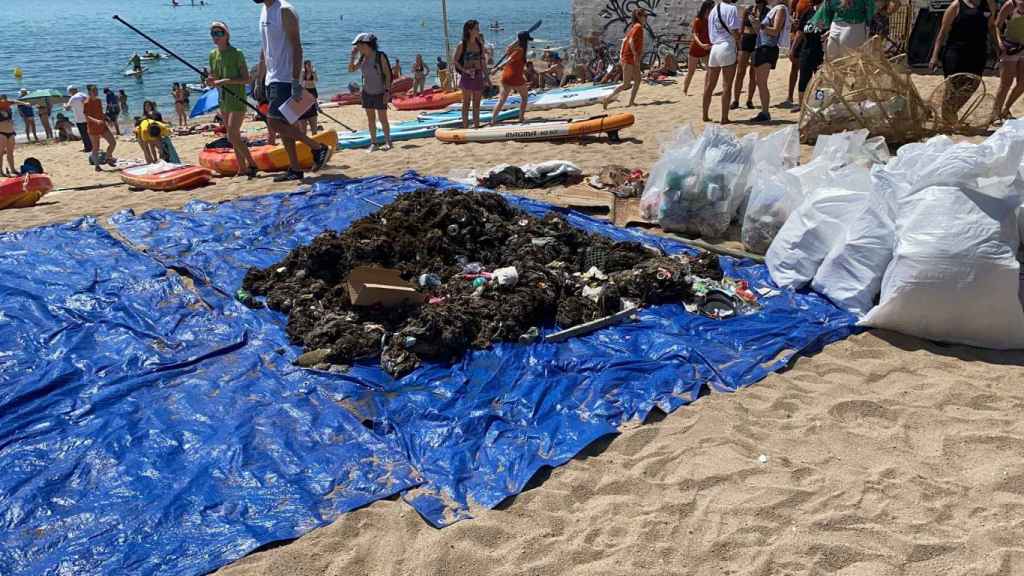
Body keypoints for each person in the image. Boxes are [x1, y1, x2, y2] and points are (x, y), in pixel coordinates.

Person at [255, 0, 331, 181]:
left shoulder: (285, 10)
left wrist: (296, 80)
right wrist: (259, 78)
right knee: (284, 126)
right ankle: (295, 169)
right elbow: (265, 47)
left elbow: (297, 47)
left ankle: (317, 147)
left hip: (286, 77)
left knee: (273, 122)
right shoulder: (264, 10)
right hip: (271, 77)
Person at [929, 0, 997, 123]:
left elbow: (991, 27)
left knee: (974, 83)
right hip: (956, 52)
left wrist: (998, 48)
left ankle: (950, 113)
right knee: (953, 87)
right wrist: (934, 56)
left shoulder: (989, 4)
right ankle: (948, 118)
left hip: (978, 52)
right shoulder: (957, 5)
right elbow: (943, 32)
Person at [208, 21, 259, 178]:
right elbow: (214, 77)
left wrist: (225, 81)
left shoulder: (237, 53)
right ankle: (242, 168)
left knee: (232, 135)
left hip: (237, 98)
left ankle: (252, 163)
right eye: (213, 34)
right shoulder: (212, 55)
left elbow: (246, 79)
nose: (216, 36)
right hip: (223, 99)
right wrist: (210, 81)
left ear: (226, 34)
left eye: (219, 33)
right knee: (233, 135)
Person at [349, 33, 393, 152]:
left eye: (359, 45)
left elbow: (388, 74)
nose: (357, 48)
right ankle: (374, 143)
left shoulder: (380, 56)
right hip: (367, 92)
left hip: (380, 92)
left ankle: (388, 142)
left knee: (383, 119)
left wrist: (387, 91)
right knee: (371, 119)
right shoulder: (362, 57)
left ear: (366, 45)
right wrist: (352, 57)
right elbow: (351, 69)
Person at [750, 0, 790, 121]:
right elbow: (762, 32)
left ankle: (765, 112)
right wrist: (756, 24)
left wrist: (760, 25)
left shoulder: (780, 9)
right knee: (759, 81)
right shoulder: (774, 10)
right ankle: (764, 111)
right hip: (762, 46)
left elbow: (775, 30)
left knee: (762, 82)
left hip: (768, 48)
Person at [704, 0, 741, 123]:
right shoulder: (732, 9)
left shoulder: (713, 11)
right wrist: (739, 46)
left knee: (709, 85)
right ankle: (724, 118)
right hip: (727, 46)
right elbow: (735, 31)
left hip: (715, 48)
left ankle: (705, 115)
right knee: (727, 85)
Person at [603, 9, 647, 109]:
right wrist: (635, 54)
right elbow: (631, 41)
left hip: (632, 58)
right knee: (626, 84)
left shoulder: (635, 27)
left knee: (638, 80)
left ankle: (631, 102)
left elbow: (628, 40)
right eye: (644, 16)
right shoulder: (638, 27)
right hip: (629, 58)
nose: (646, 18)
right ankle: (607, 99)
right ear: (639, 17)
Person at [991, 0, 1024, 124]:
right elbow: (996, 25)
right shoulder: (1011, 4)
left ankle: (1006, 109)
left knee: (1022, 84)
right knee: (1006, 83)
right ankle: (995, 113)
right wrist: (999, 42)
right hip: (1010, 47)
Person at [490, 31, 533, 125]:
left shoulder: (513, 49)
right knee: (525, 98)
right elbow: (508, 60)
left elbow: (508, 47)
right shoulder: (520, 50)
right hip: (515, 77)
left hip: (505, 76)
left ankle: (493, 120)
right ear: (525, 41)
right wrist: (496, 69)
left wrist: (518, 39)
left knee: (501, 100)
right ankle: (521, 118)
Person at [792, 0, 826, 113]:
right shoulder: (808, 12)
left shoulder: (827, 12)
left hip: (821, 53)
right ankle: (802, 105)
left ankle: (819, 105)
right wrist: (792, 49)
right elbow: (800, 32)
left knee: (821, 81)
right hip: (806, 51)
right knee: (803, 80)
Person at [733, 0, 766, 110]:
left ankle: (749, 100)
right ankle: (736, 100)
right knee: (740, 72)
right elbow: (742, 29)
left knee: (753, 74)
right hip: (746, 40)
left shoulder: (766, 11)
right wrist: (738, 45)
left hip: (757, 41)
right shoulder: (748, 10)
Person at [454, 20, 487, 129]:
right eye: (476, 29)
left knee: (477, 104)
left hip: (478, 74)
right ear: (469, 30)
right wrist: (464, 70)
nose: (478, 31)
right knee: (466, 103)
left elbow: (483, 61)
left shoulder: (479, 44)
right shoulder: (462, 44)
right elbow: (455, 61)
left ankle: (476, 126)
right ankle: (465, 127)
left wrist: (487, 76)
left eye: (478, 28)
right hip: (467, 75)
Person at [685, 1, 715, 95]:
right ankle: (685, 89)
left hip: (706, 49)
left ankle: (706, 90)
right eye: (712, 7)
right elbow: (695, 35)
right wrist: (702, 44)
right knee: (691, 72)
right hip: (696, 49)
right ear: (707, 8)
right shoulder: (698, 20)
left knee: (710, 70)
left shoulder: (711, 20)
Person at [84, 85, 117, 171]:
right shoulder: (86, 102)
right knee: (96, 148)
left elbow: (101, 112)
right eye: (94, 90)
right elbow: (87, 117)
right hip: (93, 127)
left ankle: (108, 157)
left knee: (113, 142)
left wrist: (108, 119)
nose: (96, 92)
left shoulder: (98, 100)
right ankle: (97, 166)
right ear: (89, 92)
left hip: (102, 125)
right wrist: (96, 121)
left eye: (96, 90)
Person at [64, 85, 91, 152]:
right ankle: (92, 146)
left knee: (83, 134)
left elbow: (67, 108)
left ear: (71, 91)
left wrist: (64, 105)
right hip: (88, 117)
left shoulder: (73, 98)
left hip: (80, 119)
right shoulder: (84, 95)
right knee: (89, 133)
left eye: (69, 92)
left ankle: (88, 148)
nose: (69, 93)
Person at [301, 59, 320, 134]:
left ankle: (316, 107)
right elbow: (300, 82)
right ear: (305, 65)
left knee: (314, 100)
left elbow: (316, 80)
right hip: (306, 89)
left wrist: (313, 72)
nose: (309, 66)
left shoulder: (313, 71)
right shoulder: (303, 72)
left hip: (312, 89)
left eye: (310, 64)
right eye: (308, 64)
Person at [0, 95, 17, 176]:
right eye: (2, 100)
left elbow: (16, 101)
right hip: (1, 132)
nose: (4, 101)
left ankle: (13, 169)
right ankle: (0, 171)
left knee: (10, 152)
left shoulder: (8, 107)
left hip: (11, 132)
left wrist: (25, 103)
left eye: (5, 99)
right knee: (1, 152)